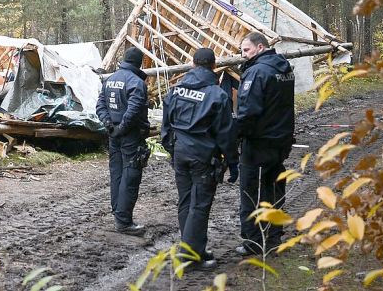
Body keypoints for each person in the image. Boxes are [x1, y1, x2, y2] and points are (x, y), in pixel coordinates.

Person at [161, 48, 238, 270]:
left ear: (193, 64)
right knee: (200, 205)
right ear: (214, 66)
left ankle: (194, 248)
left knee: (186, 201)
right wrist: (233, 163)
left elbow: (165, 125)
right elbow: (226, 133)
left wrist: (172, 149)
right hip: (202, 156)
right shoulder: (217, 94)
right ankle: (190, 256)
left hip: (180, 152)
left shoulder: (175, 91)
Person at [235, 31, 295, 256]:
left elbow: (248, 111)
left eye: (246, 50)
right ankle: (274, 235)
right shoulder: (284, 68)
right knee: (275, 188)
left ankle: (253, 241)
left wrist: (235, 136)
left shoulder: (257, 72)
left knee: (251, 192)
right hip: (280, 139)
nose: (243, 55)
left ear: (260, 48)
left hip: (259, 142)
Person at [96, 47, 151, 236]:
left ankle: (118, 212)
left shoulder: (110, 79)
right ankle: (124, 220)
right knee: (130, 175)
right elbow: (134, 110)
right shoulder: (136, 82)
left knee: (116, 173)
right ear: (138, 63)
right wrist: (122, 128)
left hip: (114, 134)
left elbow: (100, 105)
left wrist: (109, 125)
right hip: (130, 135)